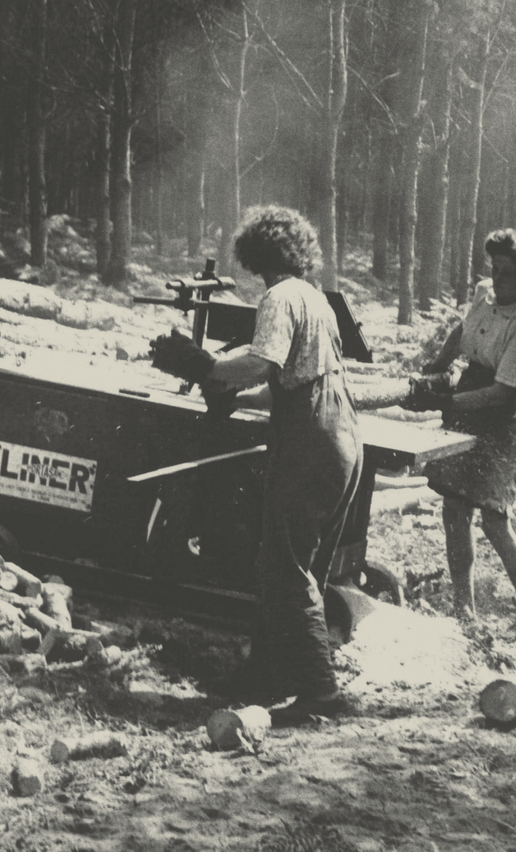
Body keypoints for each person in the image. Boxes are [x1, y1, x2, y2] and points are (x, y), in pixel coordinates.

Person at [151, 205, 363, 718]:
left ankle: (320, 691)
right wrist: (232, 397)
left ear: (256, 255)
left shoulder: (278, 297)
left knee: (283, 569)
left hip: (311, 440)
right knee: (290, 566)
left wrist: (209, 368)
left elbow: (262, 364)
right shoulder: (317, 299)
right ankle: (265, 677)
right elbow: (289, 385)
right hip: (341, 434)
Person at [417, 228, 516, 627]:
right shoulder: (482, 293)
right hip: (469, 393)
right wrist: (440, 363)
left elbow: (503, 393)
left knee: (494, 520)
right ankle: (464, 609)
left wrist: (445, 401)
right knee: (454, 510)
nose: (498, 278)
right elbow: (462, 329)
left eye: (508, 272)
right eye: (495, 268)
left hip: (500, 417)